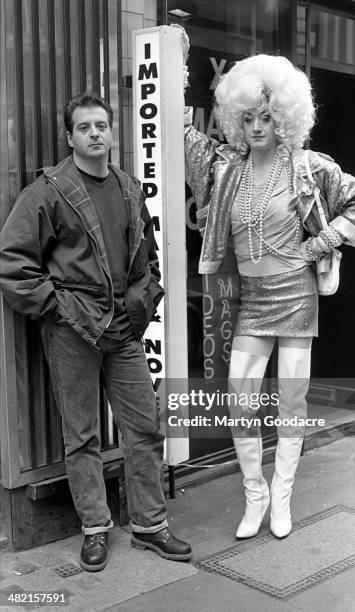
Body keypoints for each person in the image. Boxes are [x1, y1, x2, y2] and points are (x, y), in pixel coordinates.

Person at [183, 50, 355, 540]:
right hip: (253, 297)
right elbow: (182, 136)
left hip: (295, 293)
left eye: (266, 117)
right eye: (246, 117)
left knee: (292, 400)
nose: (255, 126)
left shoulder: (308, 167)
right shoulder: (227, 170)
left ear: (284, 118)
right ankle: (256, 492)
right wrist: (177, 69)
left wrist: (322, 241)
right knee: (239, 397)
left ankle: (283, 494)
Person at [0, 92, 192, 570]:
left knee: (144, 427)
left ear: (111, 132)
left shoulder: (128, 188)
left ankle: (149, 525)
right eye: (84, 127)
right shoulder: (49, 191)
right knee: (81, 436)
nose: (94, 134)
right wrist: (60, 309)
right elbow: (13, 264)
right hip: (73, 333)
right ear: (70, 137)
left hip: (123, 332)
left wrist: (139, 305)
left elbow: (147, 260)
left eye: (101, 125)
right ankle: (94, 528)